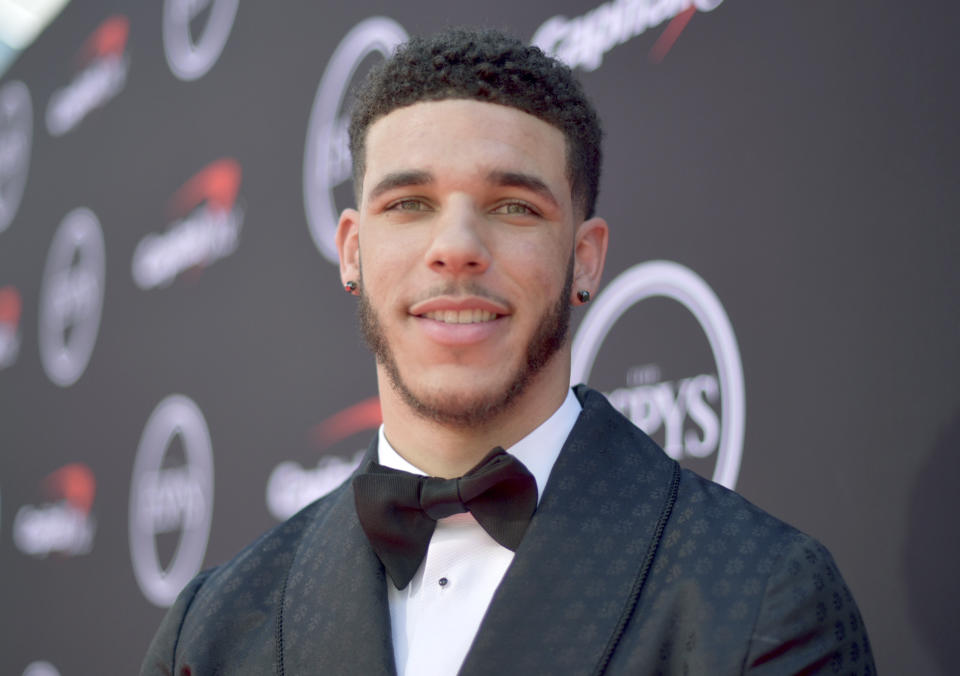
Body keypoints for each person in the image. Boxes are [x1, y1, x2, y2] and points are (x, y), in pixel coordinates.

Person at [142, 28, 874, 675]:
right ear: (352, 251)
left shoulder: (759, 596)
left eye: (514, 206)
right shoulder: (209, 633)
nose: (457, 248)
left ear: (585, 260)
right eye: (408, 205)